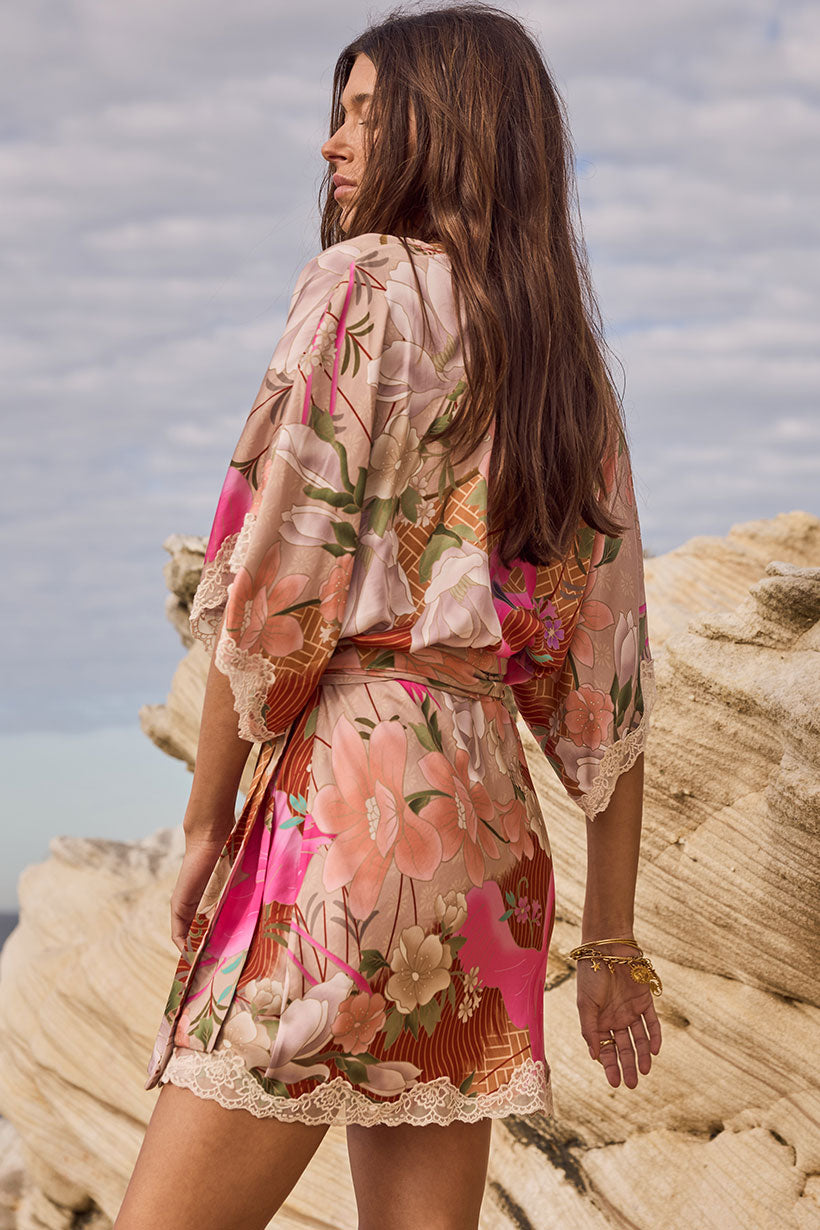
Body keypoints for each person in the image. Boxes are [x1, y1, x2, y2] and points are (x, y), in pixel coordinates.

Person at [115, 4, 662, 1228]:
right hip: (486, 850)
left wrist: (206, 822)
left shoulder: (361, 285)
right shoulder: (568, 372)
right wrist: (611, 946)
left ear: (447, 129)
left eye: (366, 113)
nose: (332, 143)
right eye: (338, 111)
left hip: (351, 811)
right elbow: (607, 687)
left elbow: (266, 580)